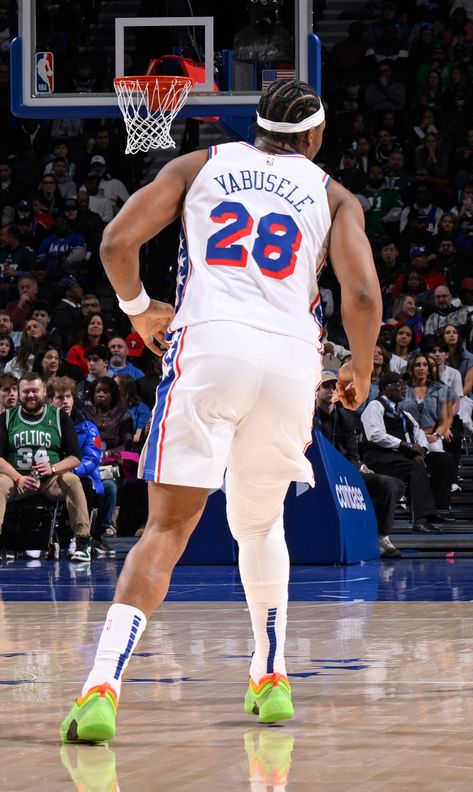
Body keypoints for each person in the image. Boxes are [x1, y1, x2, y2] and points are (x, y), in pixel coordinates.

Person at [61, 79, 382, 744]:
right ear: (316, 138)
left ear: (254, 127)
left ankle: (101, 689)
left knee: (166, 532)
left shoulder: (200, 164)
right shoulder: (334, 194)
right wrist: (361, 367)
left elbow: (118, 242)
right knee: (259, 525)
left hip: (210, 346)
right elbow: (363, 293)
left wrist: (137, 307)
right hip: (292, 359)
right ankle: (270, 677)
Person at [313, 372, 405, 559]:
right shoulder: (308, 416)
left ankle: (381, 537)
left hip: (345, 472)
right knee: (387, 485)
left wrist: (356, 468)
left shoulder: (344, 417)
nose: (331, 390)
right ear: (316, 390)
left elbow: (353, 452)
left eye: (334, 386)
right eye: (326, 386)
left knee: (394, 484)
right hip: (318, 474)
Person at [0, 371, 91, 561]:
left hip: (50, 479)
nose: (31, 395)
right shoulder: (6, 418)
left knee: (73, 480)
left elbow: (75, 457)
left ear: (43, 392)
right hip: (16, 479)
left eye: (35, 390)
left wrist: (53, 468)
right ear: (18, 393)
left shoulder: (59, 417)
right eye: (26, 391)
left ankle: (82, 541)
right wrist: (18, 477)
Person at [360, 372, 454, 534]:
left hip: (402, 456)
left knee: (444, 459)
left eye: (403, 384)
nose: (403, 387)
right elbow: (375, 434)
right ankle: (420, 520)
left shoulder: (405, 414)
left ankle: (436, 509)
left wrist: (421, 451)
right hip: (379, 456)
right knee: (415, 468)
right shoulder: (375, 406)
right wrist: (407, 446)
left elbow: (419, 434)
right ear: (385, 389)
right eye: (397, 384)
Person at [47, 375, 116, 557]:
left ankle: (86, 538)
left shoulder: (88, 428)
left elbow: (92, 459)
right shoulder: (44, 426)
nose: (65, 401)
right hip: (50, 477)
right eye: (60, 397)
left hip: (79, 475)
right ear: (50, 400)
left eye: (68, 396)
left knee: (86, 483)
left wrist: (69, 469)